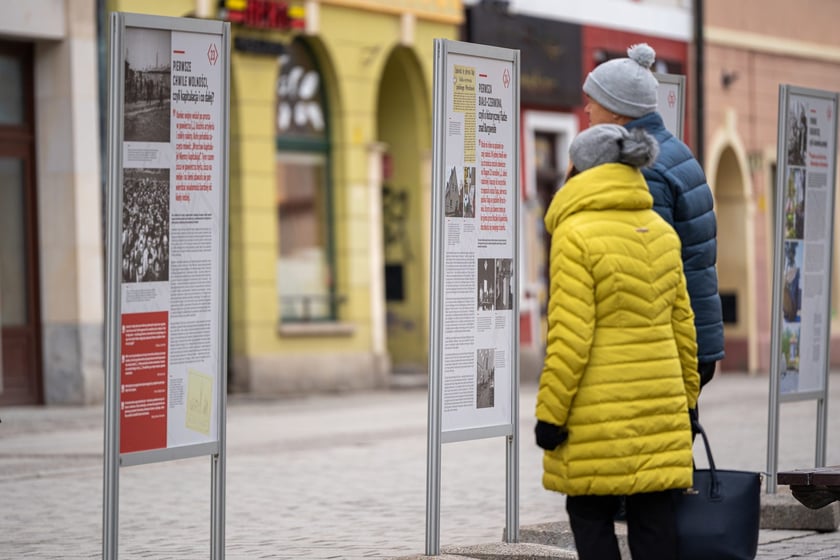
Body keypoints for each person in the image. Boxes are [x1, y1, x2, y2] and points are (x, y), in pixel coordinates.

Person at [534, 124, 700, 560]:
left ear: (583, 170)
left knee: (590, 516)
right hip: (660, 407)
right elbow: (684, 325)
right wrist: (688, 399)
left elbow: (570, 336)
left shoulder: (576, 234)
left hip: (596, 414)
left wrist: (551, 417)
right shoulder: (663, 233)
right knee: (655, 523)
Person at [581, 43, 724, 388]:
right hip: (693, 333)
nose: (586, 109)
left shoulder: (645, 169)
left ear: (617, 111)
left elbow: (645, 267)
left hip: (668, 344)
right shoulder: (676, 152)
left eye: (593, 100)